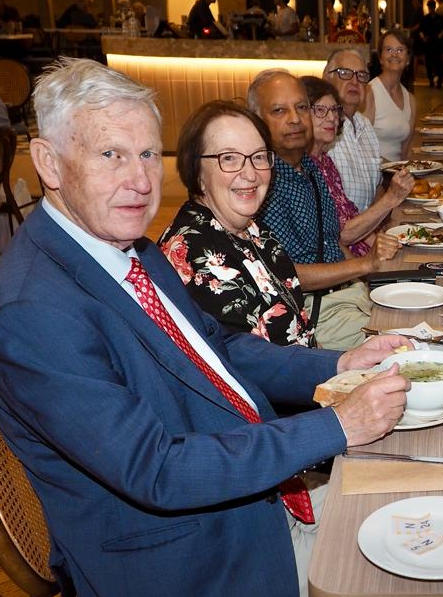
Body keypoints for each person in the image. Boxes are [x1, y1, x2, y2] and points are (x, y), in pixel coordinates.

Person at [0, 57, 412, 597]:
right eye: (111, 155)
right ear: (48, 164)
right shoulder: (33, 308)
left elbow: (220, 348)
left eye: (149, 154)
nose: (140, 181)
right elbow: (157, 471)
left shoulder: (130, 249)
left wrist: (338, 363)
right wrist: (337, 425)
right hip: (190, 559)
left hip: (246, 490)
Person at [249, 69, 401, 349]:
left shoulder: (310, 168)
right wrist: (365, 264)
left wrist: (371, 279)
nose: (295, 119)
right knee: (408, 344)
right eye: (279, 110)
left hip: (348, 295)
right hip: (313, 312)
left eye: (301, 107)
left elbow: (332, 241)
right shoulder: (261, 183)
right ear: (257, 121)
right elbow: (283, 275)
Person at [159, 101, 317, 347]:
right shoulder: (193, 254)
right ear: (197, 172)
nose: (250, 174)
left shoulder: (254, 230)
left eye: (259, 157)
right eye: (230, 158)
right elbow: (246, 362)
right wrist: (336, 363)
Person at [303, 74, 392, 257]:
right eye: (320, 110)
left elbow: (350, 215)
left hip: (361, 257)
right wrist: (392, 198)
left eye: (334, 110)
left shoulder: (326, 162)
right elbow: (341, 236)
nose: (331, 118)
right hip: (344, 265)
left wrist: (382, 247)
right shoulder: (303, 168)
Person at [323, 48, 412, 212]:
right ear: (327, 77)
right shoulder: (324, 128)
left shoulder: (364, 125)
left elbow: (377, 186)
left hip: (370, 223)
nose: (354, 81)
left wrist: (383, 218)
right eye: (345, 73)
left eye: (361, 76)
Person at [364, 29, 416, 161]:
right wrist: (390, 168)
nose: (394, 54)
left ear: (408, 60)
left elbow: (405, 152)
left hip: (398, 170)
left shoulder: (410, 100)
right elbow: (362, 147)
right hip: (374, 170)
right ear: (380, 58)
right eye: (388, 49)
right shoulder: (369, 92)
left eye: (400, 50)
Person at [418, 0, 443, 88]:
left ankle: (439, 81)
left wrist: (440, 35)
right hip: (428, 42)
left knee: (439, 62)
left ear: (434, 7)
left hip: (438, 43)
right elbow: (421, 30)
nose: (430, 9)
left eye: (432, 7)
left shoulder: (440, 18)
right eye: (429, 7)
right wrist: (423, 38)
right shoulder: (425, 19)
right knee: (428, 62)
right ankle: (431, 80)